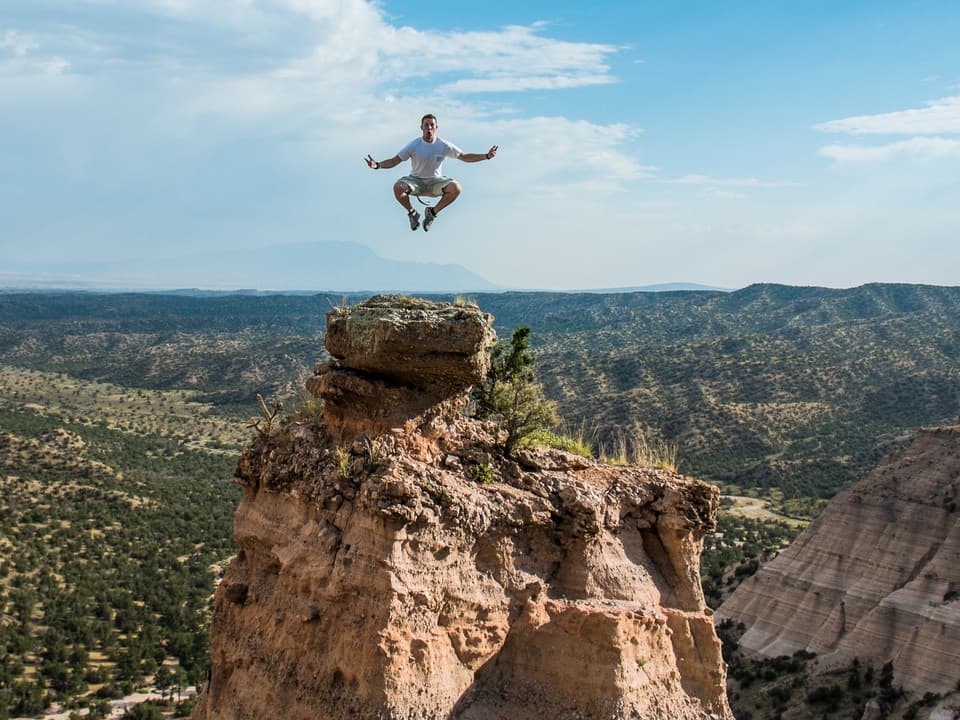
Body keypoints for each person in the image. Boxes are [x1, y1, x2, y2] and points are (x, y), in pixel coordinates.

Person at [365, 114, 498, 232]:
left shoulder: (443, 145)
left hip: (436, 182)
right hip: (416, 181)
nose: (429, 128)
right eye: (426, 125)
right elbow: (394, 161)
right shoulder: (414, 145)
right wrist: (377, 165)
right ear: (421, 127)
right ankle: (412, 213)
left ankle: (432, 213)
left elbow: (464, 156)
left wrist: (486, 156)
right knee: (398, 187)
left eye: (432, 125)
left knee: (456, 187)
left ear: (436, 127)